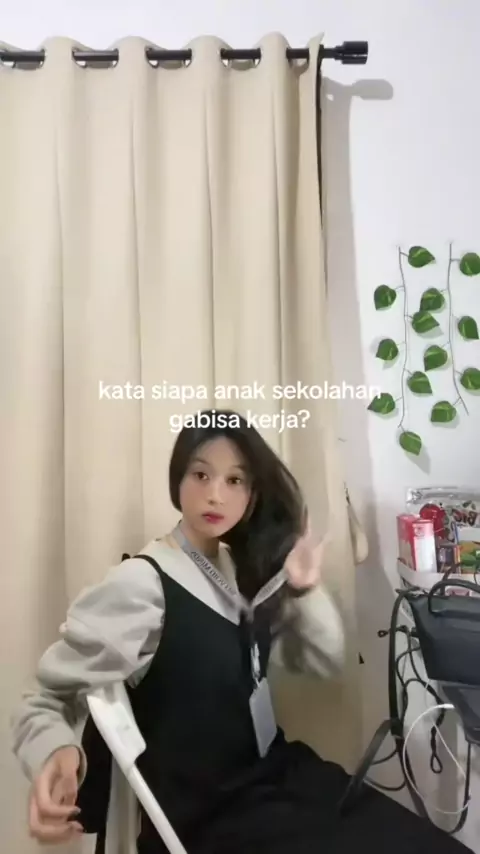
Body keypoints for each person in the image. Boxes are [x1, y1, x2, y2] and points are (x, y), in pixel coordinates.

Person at [11, 409, 473, 854]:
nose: (216, 495)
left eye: (235, 480)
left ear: (252, 493)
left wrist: (303, 588)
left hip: (275, 776)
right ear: (177, 480)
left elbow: (322, 663)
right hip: (212, 817)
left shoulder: (237, 568)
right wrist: (55, 752)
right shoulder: (142, 584)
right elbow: (47, 697)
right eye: (201, 474)